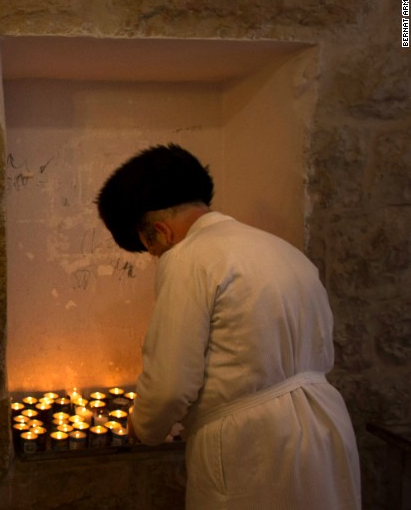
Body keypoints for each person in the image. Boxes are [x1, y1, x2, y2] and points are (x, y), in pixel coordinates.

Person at [95, 144, 360, 509]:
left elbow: (171, 381)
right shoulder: (282, 249)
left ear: (160, 231)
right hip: (323, 426)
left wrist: (143, 426)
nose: (158, 259)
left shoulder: (188, 258)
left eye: (152, 250)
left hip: (252, 445)